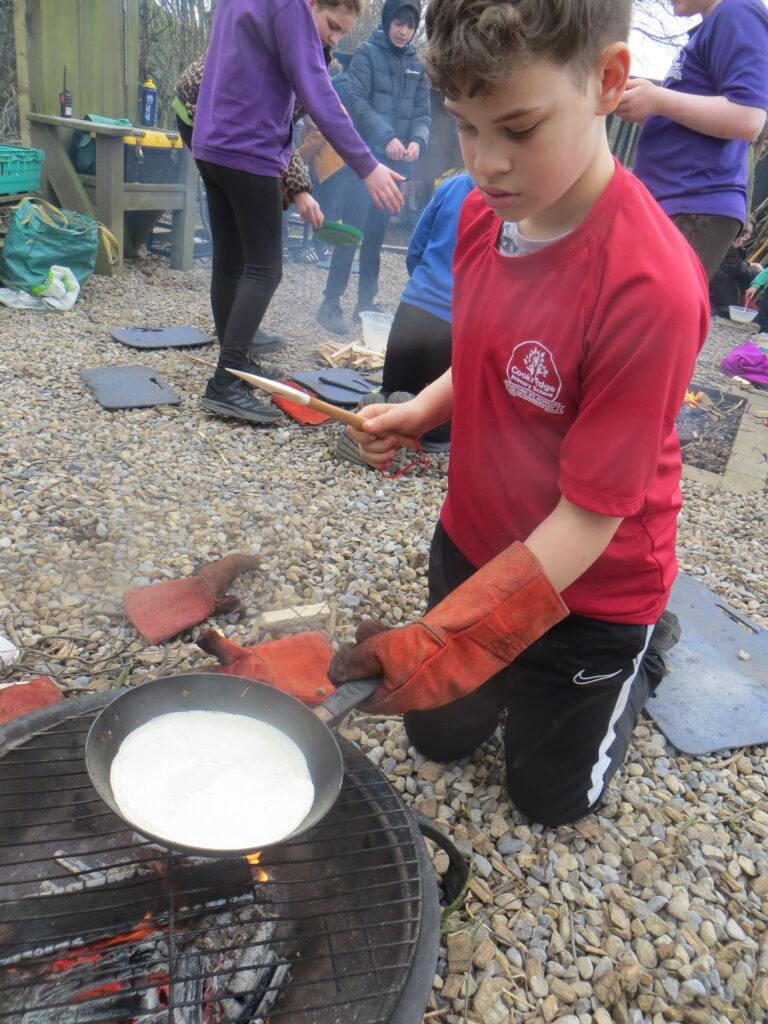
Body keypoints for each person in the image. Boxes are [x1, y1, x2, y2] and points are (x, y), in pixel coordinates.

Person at [327, 0, 710, 828]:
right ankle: (501, 665)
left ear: (608, 81)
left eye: (520, 128)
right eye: (465, 126)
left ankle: (639, 663)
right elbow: (494, 351)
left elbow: (589, 515)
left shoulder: (651, 287)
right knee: (437, 741)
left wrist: (450, 638)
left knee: (547, 802)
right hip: (474, 542)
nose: (487, 163)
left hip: (592, 591)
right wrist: (421, 408)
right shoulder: (478, 213)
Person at [190, 0, 403, 425]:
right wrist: (367, 165)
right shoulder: (290, 7)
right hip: (248, 152)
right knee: (266, 269)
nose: (334, 38)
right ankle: (225, 383)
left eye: (342, 33)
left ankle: (236, 363)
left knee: (230, 264)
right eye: (332, 25)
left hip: (212, 144)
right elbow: (319, 94)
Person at [616, 0, 768, 282]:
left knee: (653, 319)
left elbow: (748, 118)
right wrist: (648, 109)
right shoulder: (711, 25)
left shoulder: (736, 10)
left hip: (696, 203)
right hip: (680, 202)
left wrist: (658, 100)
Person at [336, 171, 474, 464]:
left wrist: (420, 286)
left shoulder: (451, 185)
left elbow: (417, 246)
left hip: (412, 310)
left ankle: (378, 415)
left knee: (395, 387)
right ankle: (418, 436)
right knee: (446, 413)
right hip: (458, 325)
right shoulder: (513, 203)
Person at [316, 0, 431, 335]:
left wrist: (418, 141)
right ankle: (330, 302)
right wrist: (389, 135)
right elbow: (356, 101)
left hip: (394, 166)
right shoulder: (368, 53)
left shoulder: (416, 65)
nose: (403, 31)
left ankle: (365, 303)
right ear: (387, 21)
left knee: (377, 234)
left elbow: (423, 112)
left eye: (410, 26)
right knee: (352, 230)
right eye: (399, 23)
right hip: (363, 162)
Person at [709, 223, 762, 317]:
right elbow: (741, 271)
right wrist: (762, 275)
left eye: (750, 234)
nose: (748, 237)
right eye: (745, 233)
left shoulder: (734, 249)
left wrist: (748, 264)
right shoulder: (722, 248)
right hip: (717, 307)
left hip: (723, 306)